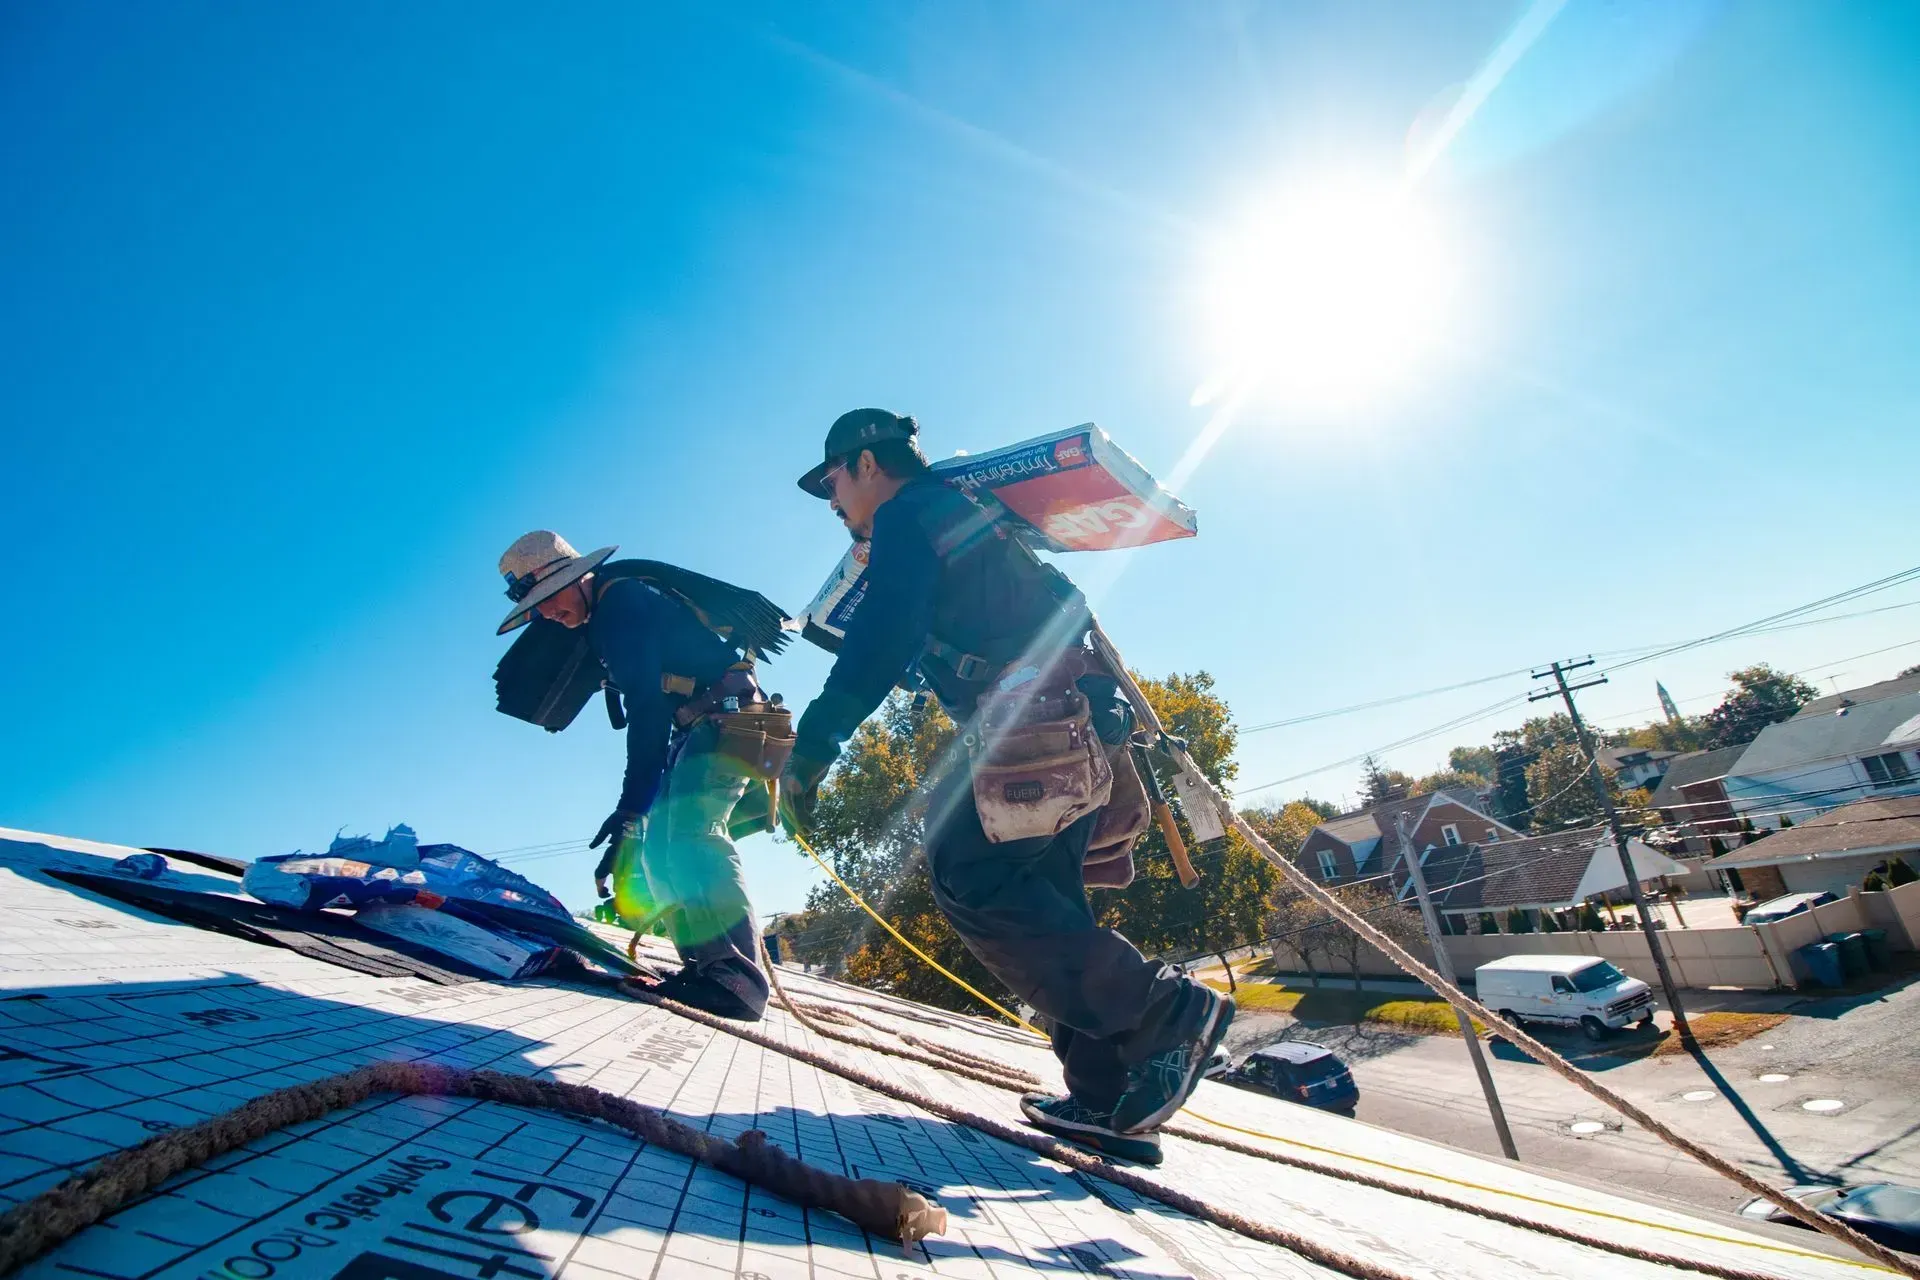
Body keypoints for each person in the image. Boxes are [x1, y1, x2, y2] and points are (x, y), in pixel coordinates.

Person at [777, 409, 1233, 1166]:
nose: (830, 499)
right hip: (1078, 724)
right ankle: (1105, 1092)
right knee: (1046, 907)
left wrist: (815, 746)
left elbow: (881, 637)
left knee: (971, 878)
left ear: (863, 463)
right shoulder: (971, 521)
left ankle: (1167, 1013)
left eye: (830, 479)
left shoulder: (907, 515)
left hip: (1030, 724)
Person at [496, 530, 780, 1021]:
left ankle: (736, 981)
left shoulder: (619, 605)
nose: (546, 613)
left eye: (549, 597)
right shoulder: (611, 608)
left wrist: (631, 805)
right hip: (701, 725)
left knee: (693, 832)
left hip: (729, 719)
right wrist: (635, 812)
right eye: (535, 606)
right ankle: (707, 970)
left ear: (578, 575)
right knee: (657, 847)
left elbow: (646, 706)